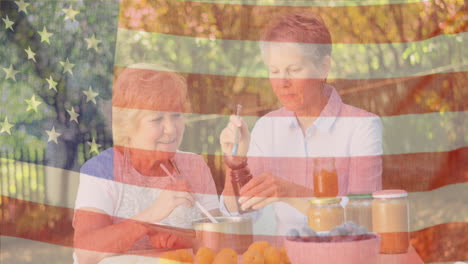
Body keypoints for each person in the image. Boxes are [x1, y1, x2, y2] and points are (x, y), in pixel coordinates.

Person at [219, 12, 383, 235]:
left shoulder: (361, 127)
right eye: (274, 71)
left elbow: (363, 218)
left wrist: (290, 192)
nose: (282, 82)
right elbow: (239, 213)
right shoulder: (267, 128)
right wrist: (236, 164)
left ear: (324, 68)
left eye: (294, 70)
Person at [73, 65, 220, 264]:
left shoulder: (195, 167)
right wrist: (150, 217)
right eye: (157, 119)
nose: (171, 129)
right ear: (128, 124)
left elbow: (218, 243)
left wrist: (181, 240)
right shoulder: (102, 171)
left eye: (176, 115)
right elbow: (86, 252)